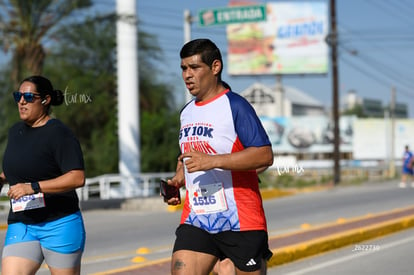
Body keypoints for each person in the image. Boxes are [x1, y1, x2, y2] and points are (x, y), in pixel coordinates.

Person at [164, 38, 274, 275]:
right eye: (183, 68)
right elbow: (186, 154)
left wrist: (212, 161)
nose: (187, 75)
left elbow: (264, 155)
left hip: (240, 220)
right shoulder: (187, 112)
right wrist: (178, 177)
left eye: (195, 68)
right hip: (197, 219)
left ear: (215, 67)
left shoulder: (235, 106)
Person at [0, 75, 86, 275]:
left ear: (45, 100)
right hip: (23, 223)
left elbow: (76, 177)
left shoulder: (59, 133)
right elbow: (22, 166)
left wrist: (33, 187)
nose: (21, 101)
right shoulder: (15, 132)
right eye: (18, 96)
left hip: (59, 224)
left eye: (29, 97)